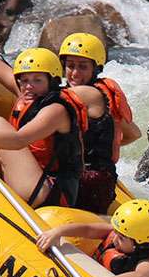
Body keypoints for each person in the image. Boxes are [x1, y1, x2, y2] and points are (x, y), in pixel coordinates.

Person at [0, 47, 90, 207]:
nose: (29, 86)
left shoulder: (56, 110)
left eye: (37, 80)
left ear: (52, 81)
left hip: (48, 192)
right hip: (32, 179)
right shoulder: (26, 93)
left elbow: (19, 140)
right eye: (25, 80)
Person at [58, 33, 142, 213]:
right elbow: (134, 133)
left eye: (82, 67)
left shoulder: (85, 94)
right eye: (70, 66)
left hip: (87, 183)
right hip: (103, 179)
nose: (74, 73)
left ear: (95, 69)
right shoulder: (104, 95)